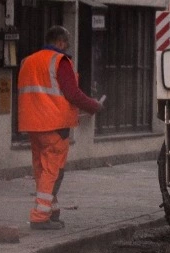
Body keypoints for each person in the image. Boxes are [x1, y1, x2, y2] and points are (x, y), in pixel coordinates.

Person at [17, 26, 103, 230]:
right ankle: (40, 217)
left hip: (32, 124)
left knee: (41, 169)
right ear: (61, 42)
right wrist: (94, 105)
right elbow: (72, 93)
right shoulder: (60, 61)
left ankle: (50, 211)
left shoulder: (28, 61)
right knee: (52, 172)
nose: (68, 47)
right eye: (67, 42)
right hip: (55, 125)